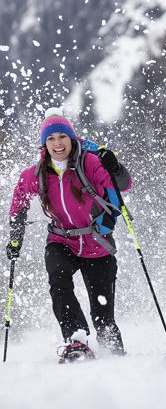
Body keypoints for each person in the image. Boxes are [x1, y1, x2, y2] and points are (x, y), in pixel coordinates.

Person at [5, 107, 131, 357]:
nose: (57, 143)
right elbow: (19, 200)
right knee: (58, 279)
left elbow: (122, 186)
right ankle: (76, 337)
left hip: (96, 240)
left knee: (102, 314)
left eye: (62, 136)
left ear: (71, 139)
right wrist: (16, 237)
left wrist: (115, 167)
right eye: (50, 139)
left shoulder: (90, 163)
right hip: (61, 239)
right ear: (44, 144)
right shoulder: (38, 173)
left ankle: (113, 353)